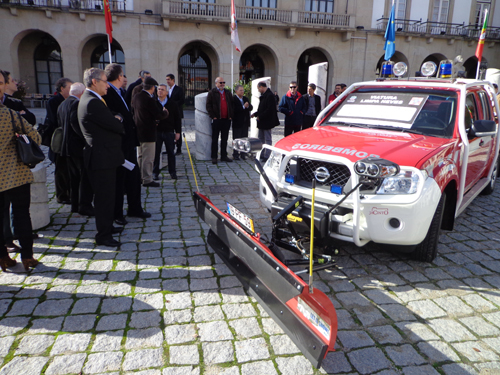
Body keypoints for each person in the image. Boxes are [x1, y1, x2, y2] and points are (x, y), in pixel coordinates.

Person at [78, 68, 125, 247]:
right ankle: (103, 234)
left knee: (108, 196)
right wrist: (118, 119)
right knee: (104, 198)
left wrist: (115, 119)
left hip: (104, 155)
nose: (108, 85)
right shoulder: (92, 102)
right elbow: (115, 125)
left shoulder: (94, 100)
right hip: (101, 157)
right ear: (95, 82)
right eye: (105, 81)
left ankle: (107, 226)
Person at [0, 70, 41, 271]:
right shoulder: (9, 113)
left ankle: (3, 257)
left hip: (12, 175)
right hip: (13, 173)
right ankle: (27, 256)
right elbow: (36, 137)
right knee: (21, 214)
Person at [103, 64, 151, 225]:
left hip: (128, 143)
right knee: (119, 180)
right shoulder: (108, 93)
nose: (124, 78)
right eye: (123, 75)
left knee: (133, 177)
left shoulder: (120, 92)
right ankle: (117, 213)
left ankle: (134, 208)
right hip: (119, 145)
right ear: (118, 77)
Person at [57, 82, 94, 216]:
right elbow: (74, 121)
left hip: (66, 146)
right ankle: (84, 205)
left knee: (74, 178)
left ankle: (75, 204)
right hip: (77, 146)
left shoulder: (63, 103)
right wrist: (85, 137)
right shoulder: (76, 104)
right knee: (84, 177)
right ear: (81, 92)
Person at [131, 77, 168, 187]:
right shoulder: (149, 99)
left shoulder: (136, 96)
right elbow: (158, 114)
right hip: (148, 131)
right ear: (152, 88)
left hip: (138, 130)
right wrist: (165, 113)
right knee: (148, 157)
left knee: (140, 156)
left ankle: (140, 177)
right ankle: (147, 179)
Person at [45, 77, 74, 204]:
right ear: (62, 88)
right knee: (61, 168)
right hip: (58, 139)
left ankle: (69, 192)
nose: (71, 90)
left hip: (67, 139)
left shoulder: (69, 101)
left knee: (68, 168)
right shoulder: (54, 101)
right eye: (69, 87)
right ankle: (62, 195)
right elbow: (54, 121)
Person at [154, 84, 181, 180]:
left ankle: (172, 172)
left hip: (169, 131)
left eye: (162, 90)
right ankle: (155, 172)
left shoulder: (172, 104)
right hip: (157, 131)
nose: (160, 91)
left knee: (171, 152)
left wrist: (178, 132)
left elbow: (177, 119)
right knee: (156, 152)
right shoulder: (154, 102)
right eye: (158, 89)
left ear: (167, 92)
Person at [206, 77, 234, 164]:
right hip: (217, 119)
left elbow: (232, 104)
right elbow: (208, 105)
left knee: (224, 139)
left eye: (223, 82)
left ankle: (223, 156)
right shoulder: (212, 93)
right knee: (215, 139)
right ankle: (214, 156)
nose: (222, 84)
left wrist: (231, 116)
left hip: (226, 119)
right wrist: (213, 116)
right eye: (220, 82)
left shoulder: (228, 92)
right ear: (216, 83)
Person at [251, 82, 279, 161]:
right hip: (262, 121)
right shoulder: (264, 95)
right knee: (261, 138)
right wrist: (256, 114)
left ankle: (267, 155)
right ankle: (261, 154)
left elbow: (269, 110)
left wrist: (260, 116)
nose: (258, 90)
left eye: (258, 88)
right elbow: (262, 109)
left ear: (262, 87)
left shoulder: (269, 95)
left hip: (267, 121)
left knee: (267, 139)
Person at [232, 84, 253, 160]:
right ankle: (236, 154)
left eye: (243, 90)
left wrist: (248, 106)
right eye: (240, 90)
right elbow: (234, 110)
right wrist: (243, 107)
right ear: (236, 91)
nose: (242, 92)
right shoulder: (233, 99)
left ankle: (243, 153)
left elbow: (251, 107)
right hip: (237, 122)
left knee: (244, 138)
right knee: (237, 138)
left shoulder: (245, 98)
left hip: (245, 122)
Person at [166, 74, 185, 155]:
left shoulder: (179, 89)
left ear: (173, 80)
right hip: (168, 114)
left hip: (177, 113)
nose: (167, 81)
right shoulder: (167, 90)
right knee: (169, 131)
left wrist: (173, 105)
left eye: (168, 79)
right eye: (166, 79)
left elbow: (182, 100)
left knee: (178, 130)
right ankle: (170, 148)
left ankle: (179, 148)